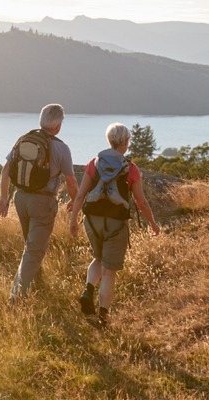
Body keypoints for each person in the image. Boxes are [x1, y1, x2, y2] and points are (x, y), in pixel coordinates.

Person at [69, 122, 160, 326]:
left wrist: (73, 219)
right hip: (116, 223)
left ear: (109, 140)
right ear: (126, 142)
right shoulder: (131, 169)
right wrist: (152, 223)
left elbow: (81, 195)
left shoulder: (94, 163)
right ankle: (103, 317)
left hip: (91, 220)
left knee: (98, 258)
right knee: (109, 271)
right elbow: (141, 201)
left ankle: (88, 290)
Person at [0, 103, 78, 304]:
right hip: (43, 201)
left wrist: (3, 197)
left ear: (41, 121)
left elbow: (6, 170)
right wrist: (76, 201)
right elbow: (70, 180)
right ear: (58, 126)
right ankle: (15, 298)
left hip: (21, 199)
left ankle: (36, 282)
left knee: (31, 244)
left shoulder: (23, 140)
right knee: (34, 249)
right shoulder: (61, 147)